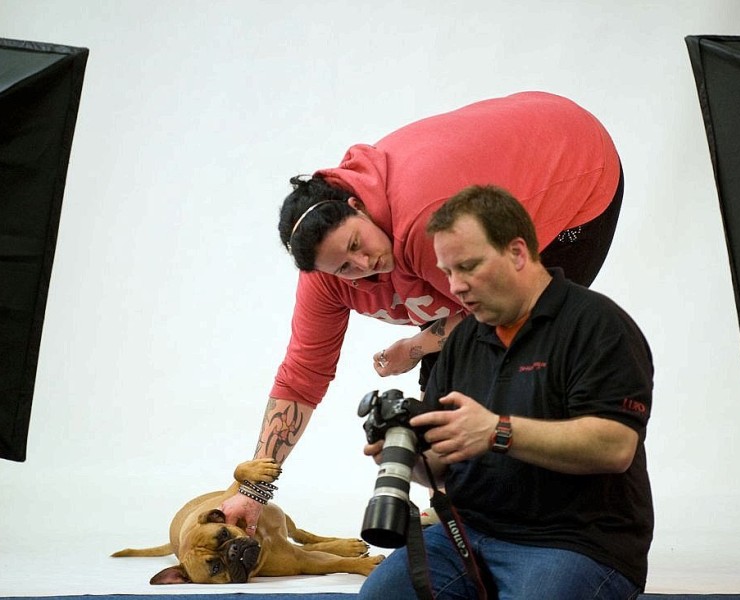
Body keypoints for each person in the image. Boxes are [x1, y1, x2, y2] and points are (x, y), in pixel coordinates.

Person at [221, 92, 625, 532]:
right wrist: (252, 490)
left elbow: (493, 312)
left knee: (520, 340)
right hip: (482, 194)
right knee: (452, 357)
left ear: (358, 207)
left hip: (574, 166)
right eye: (343, 267)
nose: (362, 266)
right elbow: (302, 376)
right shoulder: (326, 275)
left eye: (358, 244)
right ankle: (463, 507)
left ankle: (514, 510)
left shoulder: (424, 224)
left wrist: (414, 346)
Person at [358, 185, 654, 599]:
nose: (455, 287)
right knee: (379, 597)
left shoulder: (597, 325)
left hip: (574, 541)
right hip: (467, 533)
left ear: (518, 253)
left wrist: (497, 431)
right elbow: (440, 467)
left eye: (469, 266)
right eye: (447, 272)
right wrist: (405, 454)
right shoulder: (462, 341)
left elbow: (616, 446)